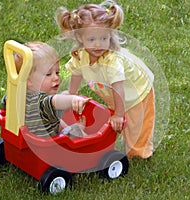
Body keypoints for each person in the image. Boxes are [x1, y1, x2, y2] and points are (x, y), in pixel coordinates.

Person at [55, 1, 155, 159]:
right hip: (115, 94)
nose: (98, 44)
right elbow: (76, 73)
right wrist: (71, 94)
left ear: (110, 35)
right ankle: (123, 127)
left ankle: (141, 154)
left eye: (103, 38)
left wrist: (119, 114)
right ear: (80, 38)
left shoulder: (112, 61)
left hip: (137, 93)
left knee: (137, 128)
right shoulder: (81, 55)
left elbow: (118, 88)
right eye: (92, 39)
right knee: (120, 123)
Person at [13, 41, 90, 138]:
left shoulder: (17, 96)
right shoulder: (40, 102)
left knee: (58, 120)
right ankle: (93, 147)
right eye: (48, 74)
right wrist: (72, 99)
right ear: (28, 81)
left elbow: (54, 101)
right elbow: (54, 101)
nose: (56, 78)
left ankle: (73, 129)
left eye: (57, 72)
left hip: (29, 140)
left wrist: (65, 96)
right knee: (80, 135)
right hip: (48, 147)